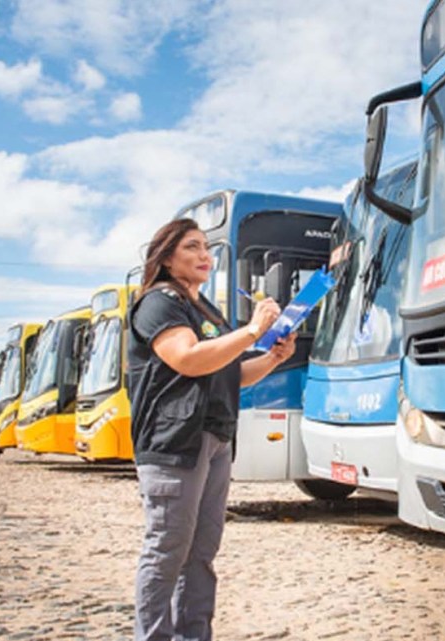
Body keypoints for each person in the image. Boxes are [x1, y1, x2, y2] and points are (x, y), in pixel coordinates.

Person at [129, 218, 295, 641]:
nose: (205, 256)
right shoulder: (157, 303)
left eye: (206, 248)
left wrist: (272, 356)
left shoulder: (206, 310)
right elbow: (188, 359)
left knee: (201, 553)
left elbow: (231, 373)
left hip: (216, 437)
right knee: (167, 551)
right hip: (175, 442)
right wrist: (253, 329)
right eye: (191, 247)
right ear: (166, 257)